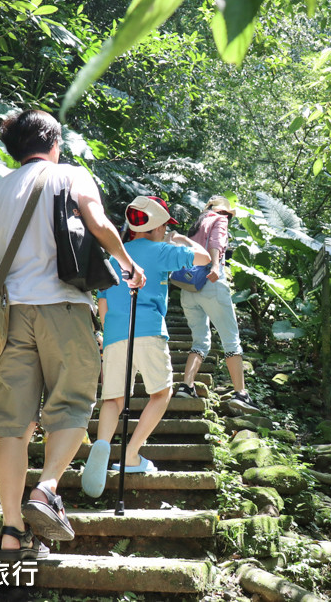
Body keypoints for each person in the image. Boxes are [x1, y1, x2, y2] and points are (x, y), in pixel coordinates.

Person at [0, 109, 145, 559]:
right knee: (71, 403)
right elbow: (98, 223)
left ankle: (11, 534)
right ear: (53, 143)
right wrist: (128, 265)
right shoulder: (70, 175)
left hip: (11, 317)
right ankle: (46, 489)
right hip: (64, 308)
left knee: (12, 425)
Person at [82, 196, 210, 497]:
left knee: (113, 399)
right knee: (161, 393)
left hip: (114, 333)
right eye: (166, 225)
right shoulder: (163, 250)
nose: (167, 230)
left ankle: (102, 444)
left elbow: (102, 300)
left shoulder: (116, 253)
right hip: (149, 330)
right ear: (157, 226)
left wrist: (107, 333)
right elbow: (204, 259)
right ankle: (130, 455)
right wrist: (179, 238)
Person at [174, 195, 259, 414]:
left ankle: (187, 385)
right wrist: (214, 265)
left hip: (189, 289)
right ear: (224, 213)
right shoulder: (218, 220)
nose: (228, 219)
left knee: (200, 341)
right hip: (211, 283)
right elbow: (216, 243)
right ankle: (241, 393)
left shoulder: (195, 226)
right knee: (231, 339)